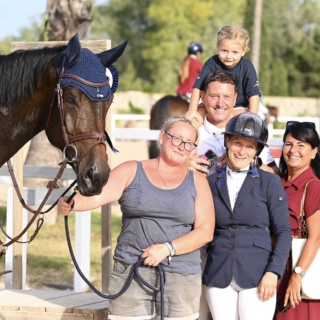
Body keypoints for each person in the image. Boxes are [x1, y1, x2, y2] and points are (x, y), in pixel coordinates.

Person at [58, 116, 215, 320]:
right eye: (176, 138)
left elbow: (205, 231)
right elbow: (99, 196)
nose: (181, 146)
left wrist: (167, 248)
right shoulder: (131, 169)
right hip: (131, 270)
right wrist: (72, 203)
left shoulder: (198, 181)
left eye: (188, 144)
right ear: (162, 137)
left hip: (181, 275)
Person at [187, 71, 279, 320]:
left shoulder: (247, 126)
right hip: (201, 243)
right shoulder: (190, 129)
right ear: (203, 97)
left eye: (227, 96)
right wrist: (185, 164)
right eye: (214, 96)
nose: (220, 102)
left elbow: (272, 176)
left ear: (235, 98)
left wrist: (247, 158)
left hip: (243, 249)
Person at [204, 112, 292, 320]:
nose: (242, 151)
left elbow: (283, 232)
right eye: (237, 143)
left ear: (257, 150)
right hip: (219, 271)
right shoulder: (210, 181)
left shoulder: (270, 183)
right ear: (227, 141)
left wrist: (274, 272)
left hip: (258, 274)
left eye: (250, 146)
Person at [275, 121, 320, 320]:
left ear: (314, 152)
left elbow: (316, 237)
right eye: (288, 144)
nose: (293, 150)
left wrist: (297, 275)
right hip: (275, 272)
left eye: (301, 145)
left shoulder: (313, 186)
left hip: (298, 273)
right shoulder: (277, 183)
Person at [186, 24, 261, 127]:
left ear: (243, 51)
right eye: (224, 51)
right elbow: (197, 88)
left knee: (242, 119)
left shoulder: (247, 67)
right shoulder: (211, 62)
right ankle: (192, 141)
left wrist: (252, 117)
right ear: (217, 47)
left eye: (235, 52)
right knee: (194, 120)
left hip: (238, 107)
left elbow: (254, 95)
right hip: (212, 105)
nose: (229, 56)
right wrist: (191, 111)